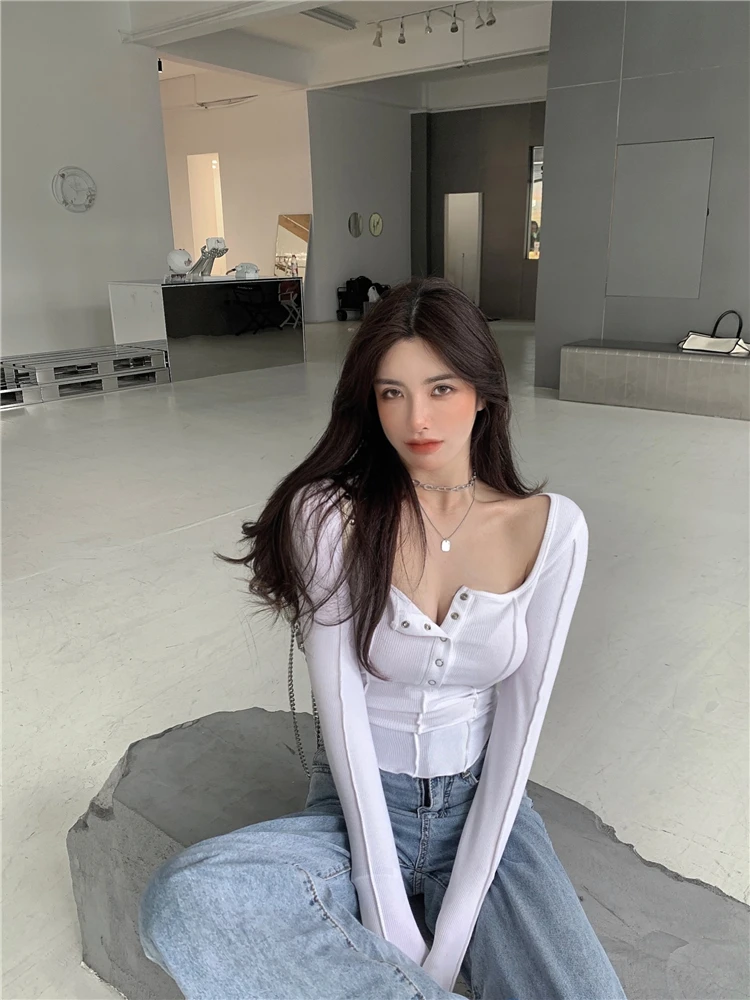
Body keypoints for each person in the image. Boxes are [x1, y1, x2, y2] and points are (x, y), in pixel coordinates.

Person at [138, 278, 627, 1000]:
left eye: (441, 388)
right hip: (359, 805)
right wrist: (386, 907)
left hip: (485, 811)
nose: (416, 418)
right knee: (185, 903)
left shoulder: (553, 530)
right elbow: (338, 705)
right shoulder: (329, 516)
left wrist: (448, 939)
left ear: (484, 393)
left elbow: (521, 727)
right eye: (391, 393)